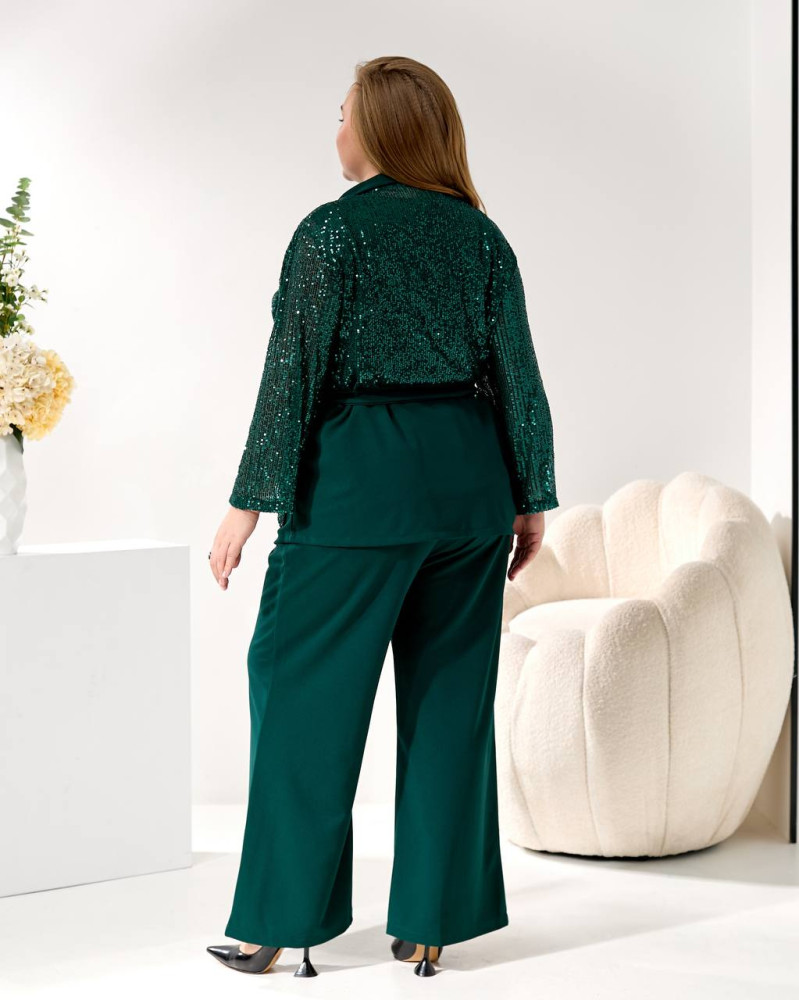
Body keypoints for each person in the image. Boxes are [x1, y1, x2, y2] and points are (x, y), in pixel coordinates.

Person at [206, 55, 559, 979]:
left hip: (358, 488)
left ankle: (279, 921)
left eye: (343, 113)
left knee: (300, 698)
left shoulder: (332, 232)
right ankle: (432, 922)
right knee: (449, 706)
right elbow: (516, 374)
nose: (335, 129)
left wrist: (246, 504)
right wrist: (530, 497)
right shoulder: (480, 236)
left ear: (377, 128)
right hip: (469, 489)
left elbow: (292, 373)